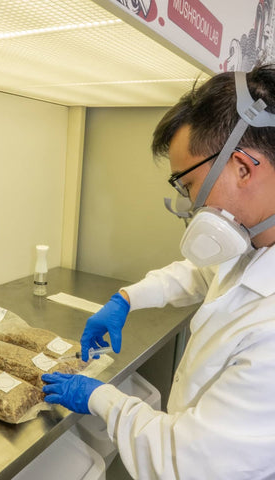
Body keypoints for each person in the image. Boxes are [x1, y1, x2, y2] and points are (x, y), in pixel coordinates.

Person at [42, 64, 275, 479]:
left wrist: (101, 399)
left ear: (242, 167)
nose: (190, 205)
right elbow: (203, 274)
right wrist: (127, 298)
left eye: (187, 186)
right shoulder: (256, 241)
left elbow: (187, 462)